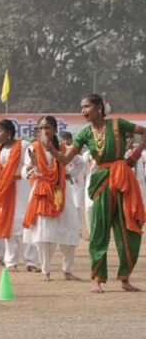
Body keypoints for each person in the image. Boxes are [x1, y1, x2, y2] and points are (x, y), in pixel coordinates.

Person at [56, 94, 146, 292]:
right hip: (102, 183)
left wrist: (135, 155)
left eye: (87, 106)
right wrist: (51, 150)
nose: (83, 111)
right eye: (82, 107)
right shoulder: (84, 134)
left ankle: (125, 278)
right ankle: (96, 279)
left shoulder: (117, 124)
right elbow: (64, 160)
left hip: (122, 180)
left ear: (99, 108)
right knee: (99, 231)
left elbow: (144, 132)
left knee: (128, 230)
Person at [23, 116, 78, 282]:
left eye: (47, 127)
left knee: (70, 230)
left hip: (62, 192)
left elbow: (80, 163)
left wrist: (68, 174)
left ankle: (67, 270)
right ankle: (45, 271)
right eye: (41, 128)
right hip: (41, 193)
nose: (44, 131)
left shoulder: (64, 148)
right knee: (43, 234)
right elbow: (25, 171)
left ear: (55, 129)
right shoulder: (33, 148)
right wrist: (32, 169)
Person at [0, 120, 33, 272]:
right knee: (10, 224)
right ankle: (11, 262)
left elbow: (31, 165)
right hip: (5, 191)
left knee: (27, 223)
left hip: (23, 187)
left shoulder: (24, 145)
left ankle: (31, 261)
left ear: (9, 132)